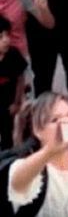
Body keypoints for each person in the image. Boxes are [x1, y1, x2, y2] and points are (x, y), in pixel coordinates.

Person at [0, 17, 27, 150]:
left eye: (7, 35)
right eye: (1, 37)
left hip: (9, 107)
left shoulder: (13, 54)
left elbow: (21, 78)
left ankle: (8, 162)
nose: (6, 40)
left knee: (8, 138)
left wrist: (17, 102)